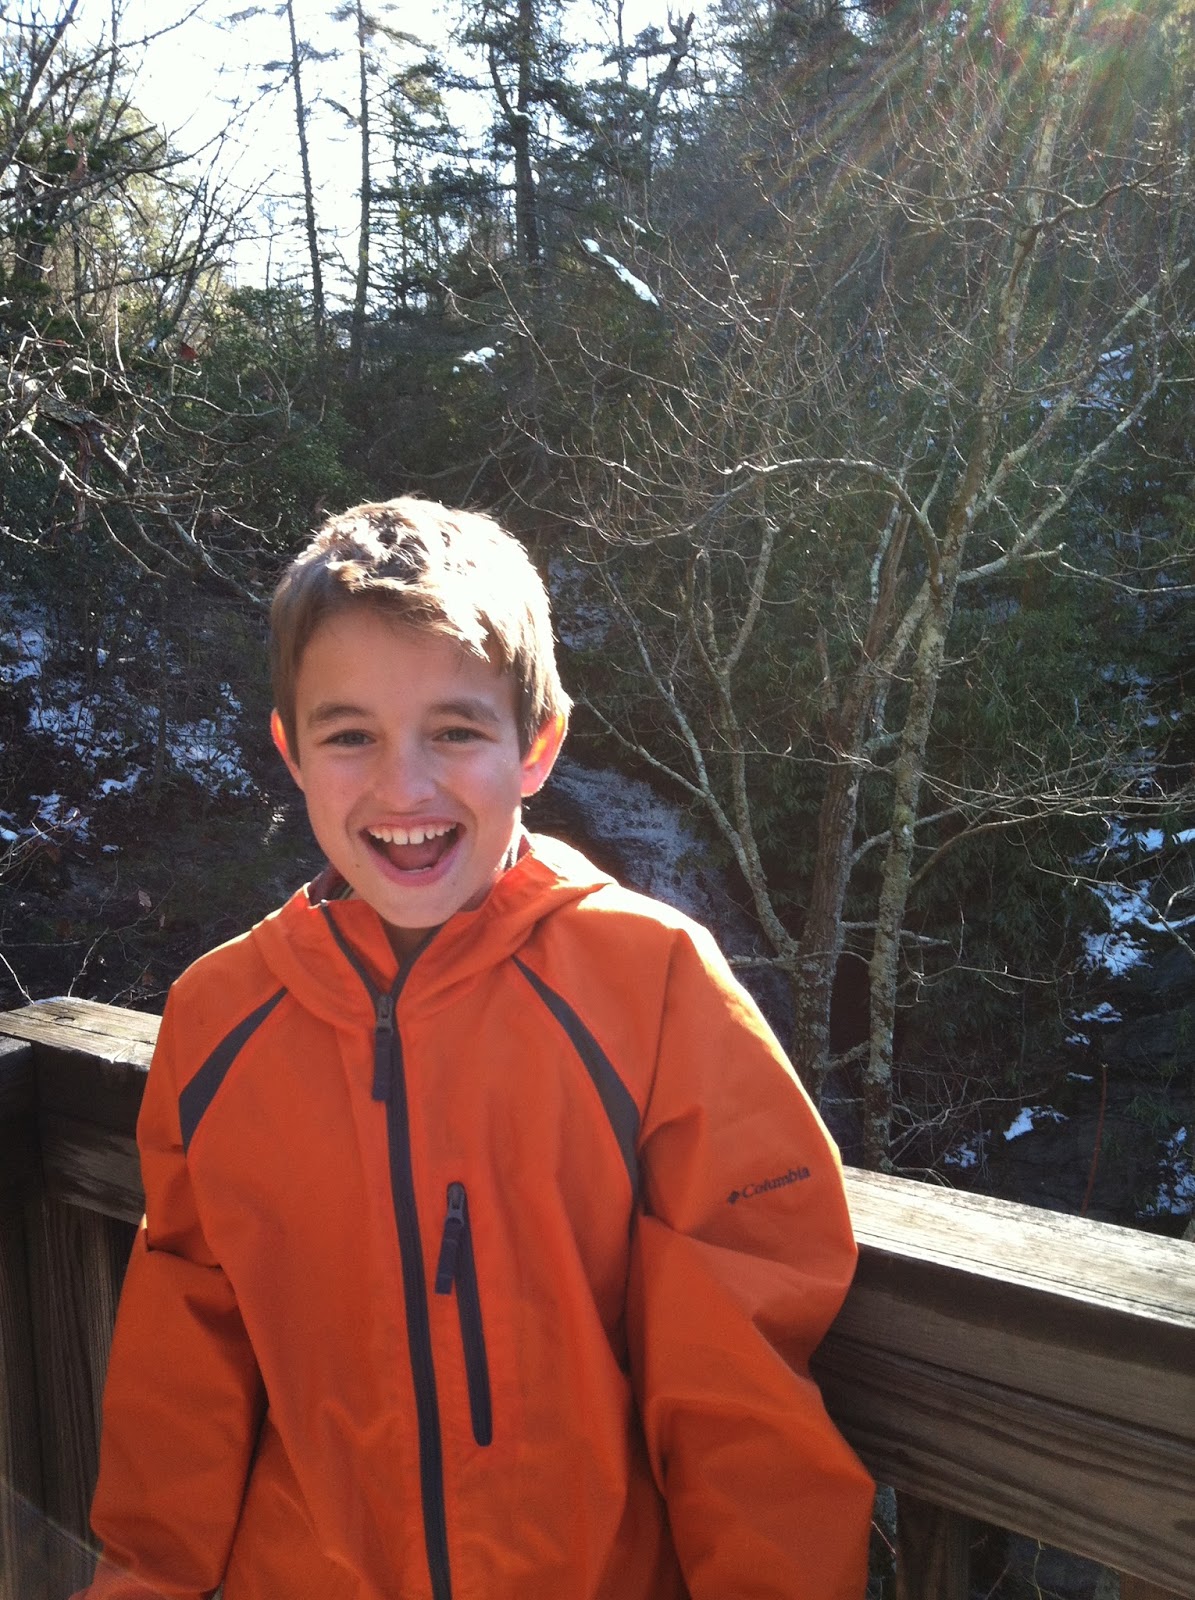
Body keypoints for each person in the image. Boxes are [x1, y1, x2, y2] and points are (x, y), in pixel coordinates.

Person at [76, 497, 874, 1600]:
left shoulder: (653, 985)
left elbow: (740, 1367)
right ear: (291, 752)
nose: (403, 788)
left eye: (454, 730)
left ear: (537, 745)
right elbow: (186, 1353)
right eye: (349, 734)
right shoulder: (218, 1017)